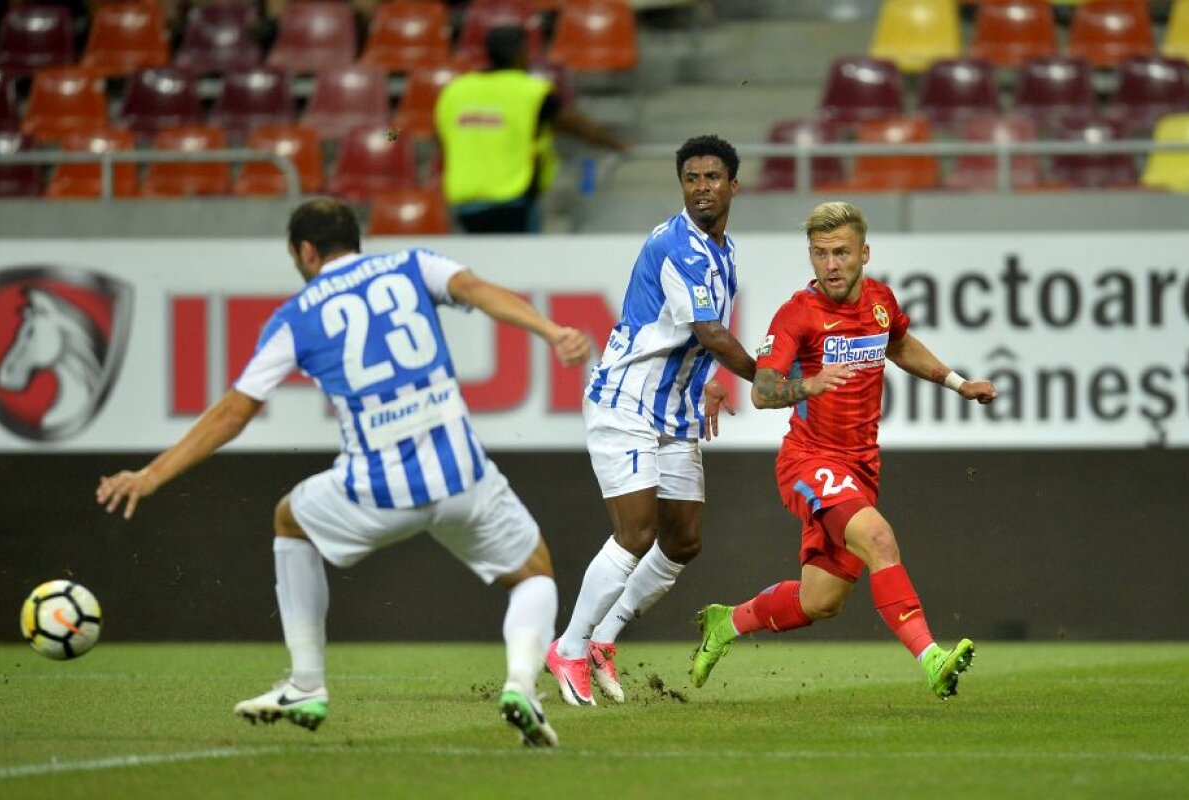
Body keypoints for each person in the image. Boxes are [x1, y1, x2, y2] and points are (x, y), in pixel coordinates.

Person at [95, 197, 592, 747]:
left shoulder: (296, 317)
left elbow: (236, 410)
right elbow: (475, 289)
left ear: (306, 251)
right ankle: (521, 683)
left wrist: (152, 474)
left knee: (289, 519)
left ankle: (307, 684)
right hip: (464, 477)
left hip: (376, 488)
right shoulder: (412, 265)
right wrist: (550, 330)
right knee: (533, 573)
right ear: (355, 239)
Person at [689, 201, 997, 700]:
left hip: (860, 468)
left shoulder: (880, 301)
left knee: (820, 601)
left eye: (841, 253)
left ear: (864, 254)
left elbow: (898, 344)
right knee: (879, 539)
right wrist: (808, 386)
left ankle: (729, 622)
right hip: (809, 461)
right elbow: (762, 391)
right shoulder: (798, 314)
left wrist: (958, 383)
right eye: (820, 253)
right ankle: (931, 658)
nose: (830, 265)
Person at [545, 134, 757, 707]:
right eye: (691, 178)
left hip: (674, 408)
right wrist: (763, 377)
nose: (701, 187)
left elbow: (681, 333)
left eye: (712, 177)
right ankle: (569, 647)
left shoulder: (724, 251)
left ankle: (603, 639)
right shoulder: (677, 245)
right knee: (636, 533)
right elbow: (710, 332)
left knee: (682, 539)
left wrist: (705, 379)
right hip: (626, 403)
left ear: (733, 186)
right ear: (681, 186)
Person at [434, 25, 628, 234]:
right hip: (512, 199)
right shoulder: (530, 91)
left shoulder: (456, 90)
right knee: (516, 254)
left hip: (465, 202)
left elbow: (442, 138)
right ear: (520, 53)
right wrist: (618, 144)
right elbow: (577, 126)